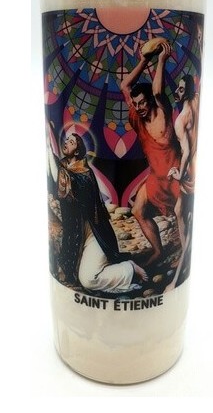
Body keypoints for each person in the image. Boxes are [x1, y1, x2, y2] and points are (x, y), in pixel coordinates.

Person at [47, 125, 147, 293]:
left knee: (88, 280)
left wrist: (50, 148)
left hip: (95, 235)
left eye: (71, 142)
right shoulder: (66, 167)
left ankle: (129, 269)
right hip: (79, 235)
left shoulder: (84, 174)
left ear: (77, 151)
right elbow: (57, 172)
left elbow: (60, 177)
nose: (66, 143)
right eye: (66, 140)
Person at [120, 40, 189, 276]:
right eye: (135, 103)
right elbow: (125, 85)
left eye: (142, 102)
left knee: (183, 215)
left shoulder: (162, 113)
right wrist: (143, 60)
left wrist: (161, 61)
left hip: (174, 174)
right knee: (138, 211)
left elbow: (158, 92)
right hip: (155, 178)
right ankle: (157, 251)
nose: (138, 107)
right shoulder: (136, 116)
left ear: (150, 100)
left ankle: (183, 259)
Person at [166, 72, 199, 289]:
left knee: (183, 216)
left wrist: (180, 173)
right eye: (177, 88)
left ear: (186, 92)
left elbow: (185, 151)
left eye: (180, 89)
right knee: (180, 211)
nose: (176, 92)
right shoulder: (195, 102)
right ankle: (180, 270)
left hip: (188, 174)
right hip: (193, 171)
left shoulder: (181, 119)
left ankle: (176, 278)